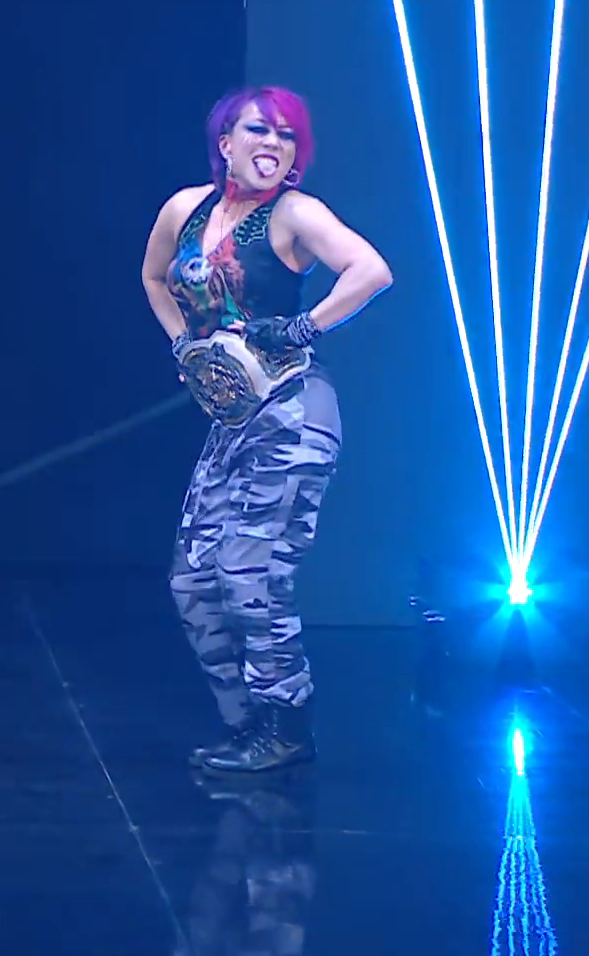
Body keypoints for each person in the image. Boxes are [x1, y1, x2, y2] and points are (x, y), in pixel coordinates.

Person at [141, 85, 393, 773]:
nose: (274, 144)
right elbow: (155, 278)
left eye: (287, 136)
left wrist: (303, 326)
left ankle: (287, 726)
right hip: (232, 421)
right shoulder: (185, 210)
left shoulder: (293, 214)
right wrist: (186, 349)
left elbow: (371, 270)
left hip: (292, 412)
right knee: (193, 582)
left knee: (249, 571)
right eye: (260, 130)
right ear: (226, 143)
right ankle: (245, 725)